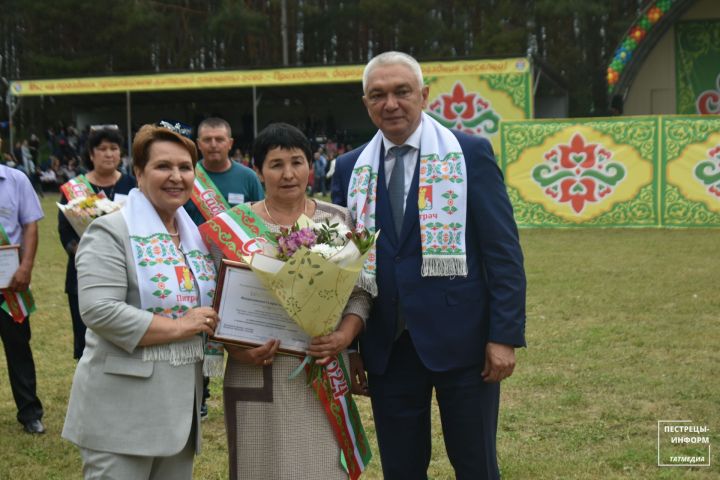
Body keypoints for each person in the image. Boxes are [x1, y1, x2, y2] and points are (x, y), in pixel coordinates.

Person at [331, 51, 527, 479]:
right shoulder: (349, 169)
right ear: (366, 102)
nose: (391, 104)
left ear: (423, 94)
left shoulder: (469, 154)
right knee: (401, 469)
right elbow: (343, 266)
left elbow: (502, 252)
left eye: (402, 92)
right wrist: (352, 346)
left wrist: (504, 336)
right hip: (387, 345)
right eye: (377, 95)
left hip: (465, 344)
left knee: (476, 464)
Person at [202, 122, 367, 479]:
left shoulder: (338, 219)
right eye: (276, 164)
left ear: (312, 165)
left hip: (322, 367)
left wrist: (345, 337)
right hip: (257, 370)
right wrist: (238, 349)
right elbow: (215, 297)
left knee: (322, 466)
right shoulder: (234, 225)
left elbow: (361, 290)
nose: (288, 174)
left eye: (297, 161)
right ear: (258, 170)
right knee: (259, 466)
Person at [62, 124, 219, 479]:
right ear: (138, 172)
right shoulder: (110, 230)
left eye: (185, 167)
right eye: (163, 166)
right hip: (122, 415)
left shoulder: (195, 236)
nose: (176, 177)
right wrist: (182, 326)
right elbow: (99, 310)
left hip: (180, 415)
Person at [57, 126, 136, 360]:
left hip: (127, 268)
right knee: (85, 337)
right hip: (84, 271)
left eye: (114, 148)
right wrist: (82, 250)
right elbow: (65, 231)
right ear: (91, 155)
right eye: (102, 149)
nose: (109, 154)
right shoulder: (75, 188)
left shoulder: (132, 185)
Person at [0, 136, 45, 435]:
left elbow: (30, 225)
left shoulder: (16, 180)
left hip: (9, 283)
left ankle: (29, 412)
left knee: (18, 347)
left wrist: (26, 266)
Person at [183, 117, 264, 225]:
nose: (213, 145)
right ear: (198, 144)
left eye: (219, 139)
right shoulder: (186, 175)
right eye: (207, 140)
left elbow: (262, 220)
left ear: (230, 143)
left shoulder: (249, 177)